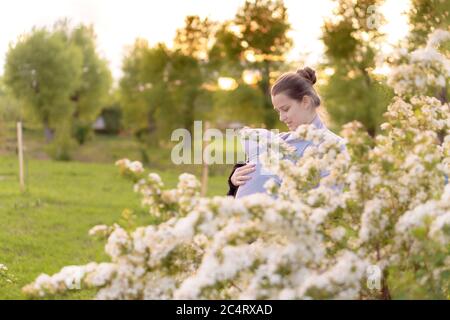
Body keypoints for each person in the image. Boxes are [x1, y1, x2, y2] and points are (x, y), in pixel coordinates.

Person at [227, 66, 344, 198]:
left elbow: (329, 200)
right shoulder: (278, 140)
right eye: (278, 111)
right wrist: (234, 180)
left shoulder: (335, 146)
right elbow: (256, 176)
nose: (282, 118)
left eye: (286, 109)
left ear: (305, 102)